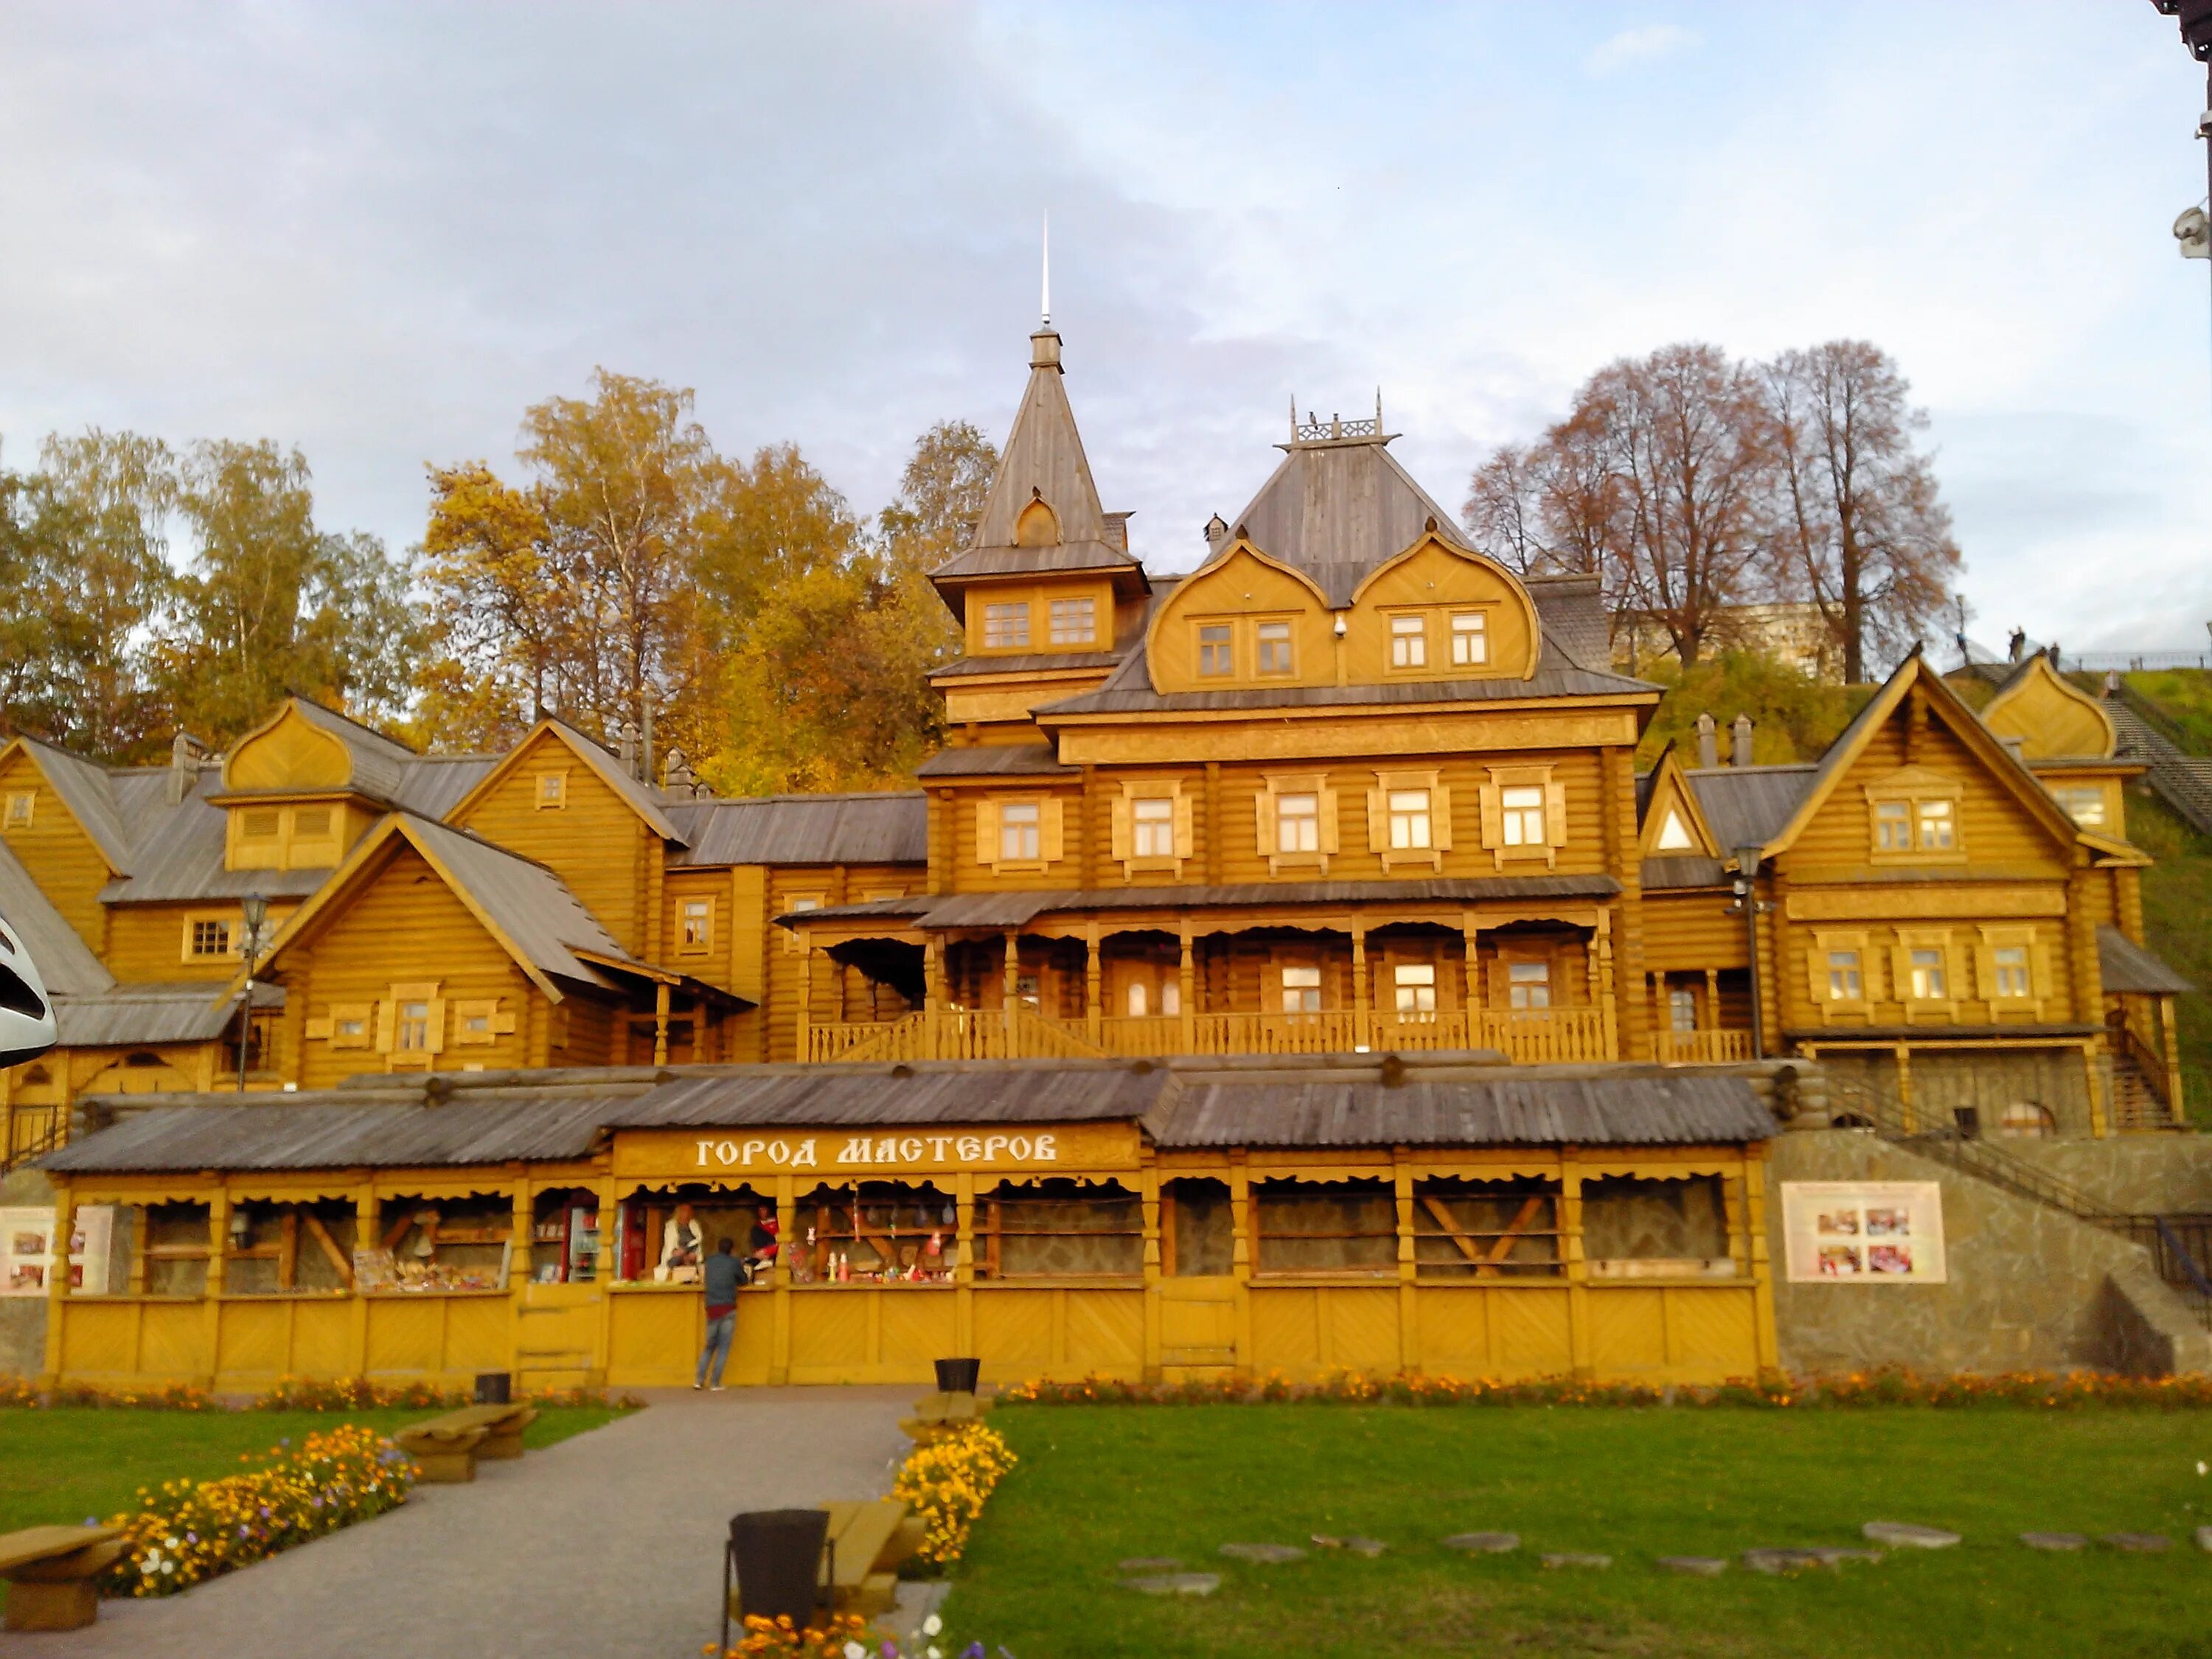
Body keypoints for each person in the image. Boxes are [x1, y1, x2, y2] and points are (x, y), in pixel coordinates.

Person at [695, 1237, 745, 1391]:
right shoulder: (734, 1262)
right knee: (723, 1347)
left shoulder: (709, 1261)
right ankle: (715, 1383)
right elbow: (743, 1280)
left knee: (709, 1346)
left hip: (712, 1308)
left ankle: (698, 1380)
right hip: (728, 1307)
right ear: (731, 1249)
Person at [661, 1203, 702, 1281]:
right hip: (676, 1254)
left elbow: (698, 1240)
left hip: (691, 1251)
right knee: (675, 1260)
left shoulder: (694, 1224)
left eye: (688, 1211)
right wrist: (677, 1252)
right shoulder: (671, 1225)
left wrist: (689, 1252)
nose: (687, 1213)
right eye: (684, 1211)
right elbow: (669, 1243)